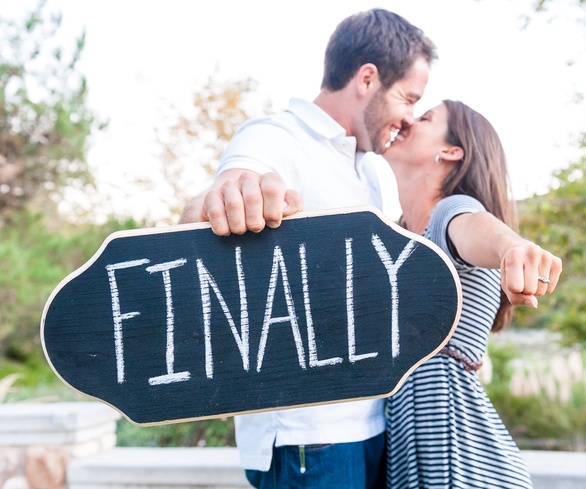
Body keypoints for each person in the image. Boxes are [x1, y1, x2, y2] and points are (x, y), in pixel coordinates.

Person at [180, 9, 560, 489]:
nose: (407, 119)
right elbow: (231, 185)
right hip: (311, 439)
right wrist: (228, 198)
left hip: (380, 428)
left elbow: (466, 228)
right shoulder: (274, 137)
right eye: (409, 99)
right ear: (366, 79)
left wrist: (507, 253)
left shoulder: (372, 176)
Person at [382, 100, 556, 488]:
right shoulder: (398, 236)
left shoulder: (450, 212)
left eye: (425, 117)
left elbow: (478, 229)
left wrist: (511, 248)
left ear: (450, 151)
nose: (408, 118)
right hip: (421, 460)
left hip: (463, 462)